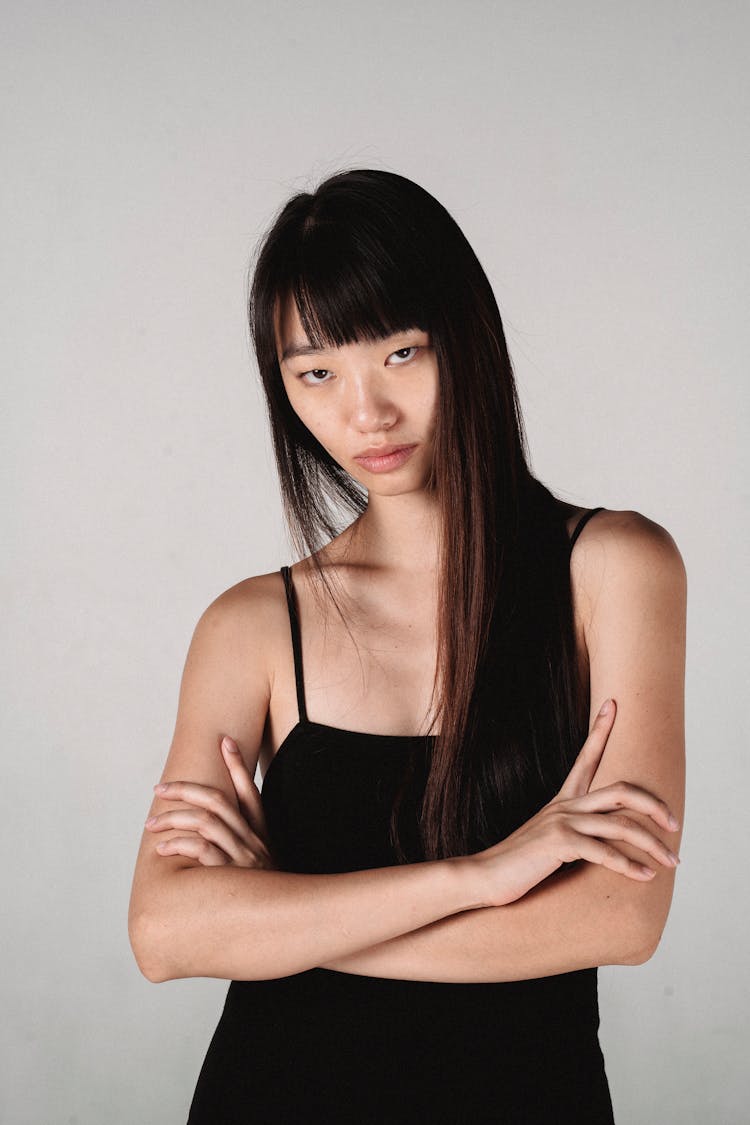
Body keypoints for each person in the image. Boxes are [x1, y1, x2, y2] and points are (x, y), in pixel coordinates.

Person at [128, 169, 686, 1124]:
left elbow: (619, 917)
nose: (365, 413)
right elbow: (164, 932)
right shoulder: (253, 624)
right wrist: (478, 877)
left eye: (401, 352)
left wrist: (285, 916)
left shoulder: (615, 568)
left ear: (466, 337)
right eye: (317, 373)